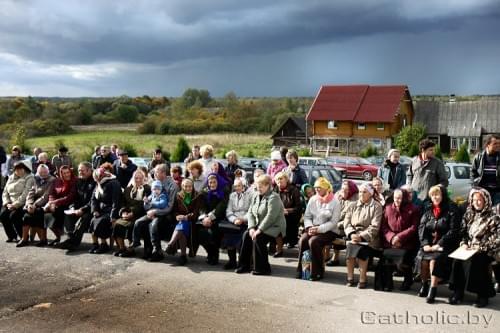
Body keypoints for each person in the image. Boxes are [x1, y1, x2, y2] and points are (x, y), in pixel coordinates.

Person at [448, 188, 500, 308]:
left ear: (486, 200)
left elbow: (497, 238)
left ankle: (483, 295)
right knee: (457, 260)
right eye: (474, 200)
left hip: (487, 250)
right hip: (469, 248)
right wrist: (464, 243)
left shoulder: (494, 217)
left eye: (480, 200)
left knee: (478, 261)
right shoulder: (469, 214)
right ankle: (458, 292)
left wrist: (480, 247)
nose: (477, 202)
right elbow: (463, 232)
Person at [416, 185, 460, 303]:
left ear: (443, 195)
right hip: (429, 244)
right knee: (423, 259)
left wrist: (439, 244)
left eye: (437, 194)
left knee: (434, 261)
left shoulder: (452, 208)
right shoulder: (428, 209)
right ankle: (424, 284)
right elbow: (421, 228)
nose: (435, 197)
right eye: (432, 195)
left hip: (446, 244)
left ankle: (433, 289)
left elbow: (454, 230)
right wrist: (425, 243)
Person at [235, 174, 286, 276]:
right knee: (246, 235)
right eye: (257, 187)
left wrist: (259, 230)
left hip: (274, 227)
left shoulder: (274, 197)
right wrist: (251, 228)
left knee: (259, 238)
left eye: (261, 187)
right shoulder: (256, 196)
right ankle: (244, 266)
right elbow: (250, 213)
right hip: (259, 225)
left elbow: (271, 217)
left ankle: (263, 268)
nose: (259, 189)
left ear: (268, 186)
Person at [296, 177, 341, 281]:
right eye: (315, 187)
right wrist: (310, 227)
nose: (316, 190)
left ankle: (317, 272)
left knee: (314, 241)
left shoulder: (335, 202)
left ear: (326, 188)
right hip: (312, 227)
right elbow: (307, 216)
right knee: (303, 240)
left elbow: (334, 222)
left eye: (319, 188)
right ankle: (302, 270)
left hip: (329, 230)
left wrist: (319, 229)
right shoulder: (313, 199)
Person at [131, 164, 178, 261]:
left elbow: (169, 207)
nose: (154, 173)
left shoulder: (172, 185)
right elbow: (150, 200)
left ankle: (157, 251)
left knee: (153, 225)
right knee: (140, 222)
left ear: (163, 173)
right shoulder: (156, 183)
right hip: (152, 212)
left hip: (167, 214)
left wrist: (155, 211)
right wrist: (148, 209)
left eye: (156, 172)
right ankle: (146, 248)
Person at [379, 189, 420, 291]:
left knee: (403, 257)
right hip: (391, 242)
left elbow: (414, 227)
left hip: (406, 242)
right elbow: (383, 226)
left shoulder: (413, 209)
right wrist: (392, 237)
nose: (397, 200)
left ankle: (408, 279)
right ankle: (388, 282)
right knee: (386, 256)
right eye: (395, 198)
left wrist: (399, 238)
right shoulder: (388, 208)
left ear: (405, 198)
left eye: (400, 198)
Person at [344, 183, 383, 289]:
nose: (361, 194)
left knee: (362, 249)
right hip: (353, 236)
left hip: (370, 238)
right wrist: (352, 234)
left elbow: (375, 227)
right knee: (351, 247)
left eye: (364, 192)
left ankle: (362, 278)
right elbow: (346, 223)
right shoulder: (352, 205)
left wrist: (361, 236)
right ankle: (350, 277)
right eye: (360, 192)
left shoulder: (376, 206)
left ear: (370, 194)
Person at [59, 162, 96, 252]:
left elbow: (93, 200)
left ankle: (73, 243)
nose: (80, 173)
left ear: (89, 170)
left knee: (85, 217)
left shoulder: (95, 181)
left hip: (92, 209)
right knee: (68, 214)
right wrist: (72, 207)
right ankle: (67, 239)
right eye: (79, 171)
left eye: (82, 171)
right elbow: (75, 198)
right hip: (79, 208)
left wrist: (82, 209)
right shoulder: (78, 181)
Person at [113, 170, 151, 257]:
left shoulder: (147, 189)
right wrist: (123, 212)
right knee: (117, 224)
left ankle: (131, 249)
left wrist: (133, 213)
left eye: (140, 178)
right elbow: (123, 203)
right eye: (136, 178)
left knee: (132, 225)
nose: (138, 180)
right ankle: (122, 248)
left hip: (140, 214)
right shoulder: (128, 189)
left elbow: (143, 204)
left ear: (144, 179)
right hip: (127, 213)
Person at [165, 178, 203, 266]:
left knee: (183, 224)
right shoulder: (178, 195)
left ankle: (171, 244)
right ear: (182, 186)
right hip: (180, 221)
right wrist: (177, 216)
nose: (188, 188)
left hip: (192, 222)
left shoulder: (197, 195)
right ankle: (183, 256)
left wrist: (186, 217)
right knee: (182, 227)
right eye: (186, 186)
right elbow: (174, 210)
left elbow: (196, 212)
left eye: (190, 186)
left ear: (192, 186)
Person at [17, 164, 55, 247]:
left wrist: (34, 205)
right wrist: (29, 204)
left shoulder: (52, 180)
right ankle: (24, 239)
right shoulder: (36, 179)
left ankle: (43, 240)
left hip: (45, 204)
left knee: (37, 214)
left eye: (45, 172)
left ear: (48, 171)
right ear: (38, 172)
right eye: (41, 172)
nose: (43, 174)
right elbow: (30, 193)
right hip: (34, 204)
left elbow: (46, 196)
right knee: (27, 216)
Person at [197, 173, 229, 265]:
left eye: (214, 182)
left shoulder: (223, 192)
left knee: (213, 233)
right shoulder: (204, 192)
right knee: (199, 233)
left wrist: (210, 217)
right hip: (205, 218)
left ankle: (214, 255)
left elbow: (221, 207)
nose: (212, 184)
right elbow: (201, 207)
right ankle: (210, 253)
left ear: (218, 182)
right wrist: (205, 217)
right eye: (210, 182)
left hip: (218, 217)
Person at [89, 167, 122, 254]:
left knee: (101, 221)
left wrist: (113, 216)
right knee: (93, 220)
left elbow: (116, 201)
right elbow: (93, 199)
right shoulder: (99, 184)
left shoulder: (114, 183)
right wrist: (95, 210)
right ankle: (95, 244)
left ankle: (104, 245)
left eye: (98, 177)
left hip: (111, 210)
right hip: (101, 210)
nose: (96, 179)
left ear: (102, 175)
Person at [326, 180, 359, 267]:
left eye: (346, 190)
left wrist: (336, 224)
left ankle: (335, 257)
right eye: (342, 189)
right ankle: (326, 255)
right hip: (335, 222)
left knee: (336, 232)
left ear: (351, 190)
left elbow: (352, 218)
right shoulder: (337, 195)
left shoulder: (356, 199)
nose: (344, 191)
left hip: (348, 225)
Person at [1, 160, 35, 242]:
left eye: (20, 169)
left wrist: (15, 205)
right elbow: (5, 192)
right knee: (3, 215)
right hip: (10, 203)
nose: (18, 171)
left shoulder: (29, 177)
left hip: (22, 203)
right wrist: (7, 203)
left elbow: (26, 193)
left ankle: (23, 237)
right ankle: (12, 236)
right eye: (16, 169)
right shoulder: (11, 177)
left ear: (25, 169)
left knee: (14, 216)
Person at [222, 178, 251, 270]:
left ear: (244, 186)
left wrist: (242, 219)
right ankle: (232, 261)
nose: (237, 187)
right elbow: (228, 210)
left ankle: (242, 262)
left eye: (239, 185)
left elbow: (251, 211)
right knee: (229, 238)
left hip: (245, 222)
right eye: (235, 186)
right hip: (234, 222)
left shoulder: (250, 196)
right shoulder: (232, 196)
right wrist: (234, 219)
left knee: (242, 240)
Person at [44, 165, 77, 245]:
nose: (66, 175)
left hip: (69, 204)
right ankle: (59, 237)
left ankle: (64, 239)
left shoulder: (75, 181)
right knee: (46, 215)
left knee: (57, 214)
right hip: (57, 205)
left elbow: (70, 197)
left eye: (68, 172)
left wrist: (54, 203)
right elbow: (52, 194)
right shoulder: (56, 181)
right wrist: (52, 203)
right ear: (61, 174)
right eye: (64, 173)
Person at [274, 171, 301, 252]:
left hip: (291, 215)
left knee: (282, 222)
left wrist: (288, 211)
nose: (279, 183)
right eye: (277, 181)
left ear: (286, 180)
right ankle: (277, 246)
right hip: (278, 214)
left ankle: (280, 247)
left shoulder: (294, 190)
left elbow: (299, 207)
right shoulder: (275, 190)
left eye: (281, 180)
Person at [471, 134, 500, 206]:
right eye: (495, 143)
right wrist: (475, 187)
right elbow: (472, 173)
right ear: (488, 144)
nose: (498, 145)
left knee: (496, 214)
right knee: (483, 213)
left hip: (497, 192)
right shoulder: (479, 157)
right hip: (482, 192)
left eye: (499, 143)